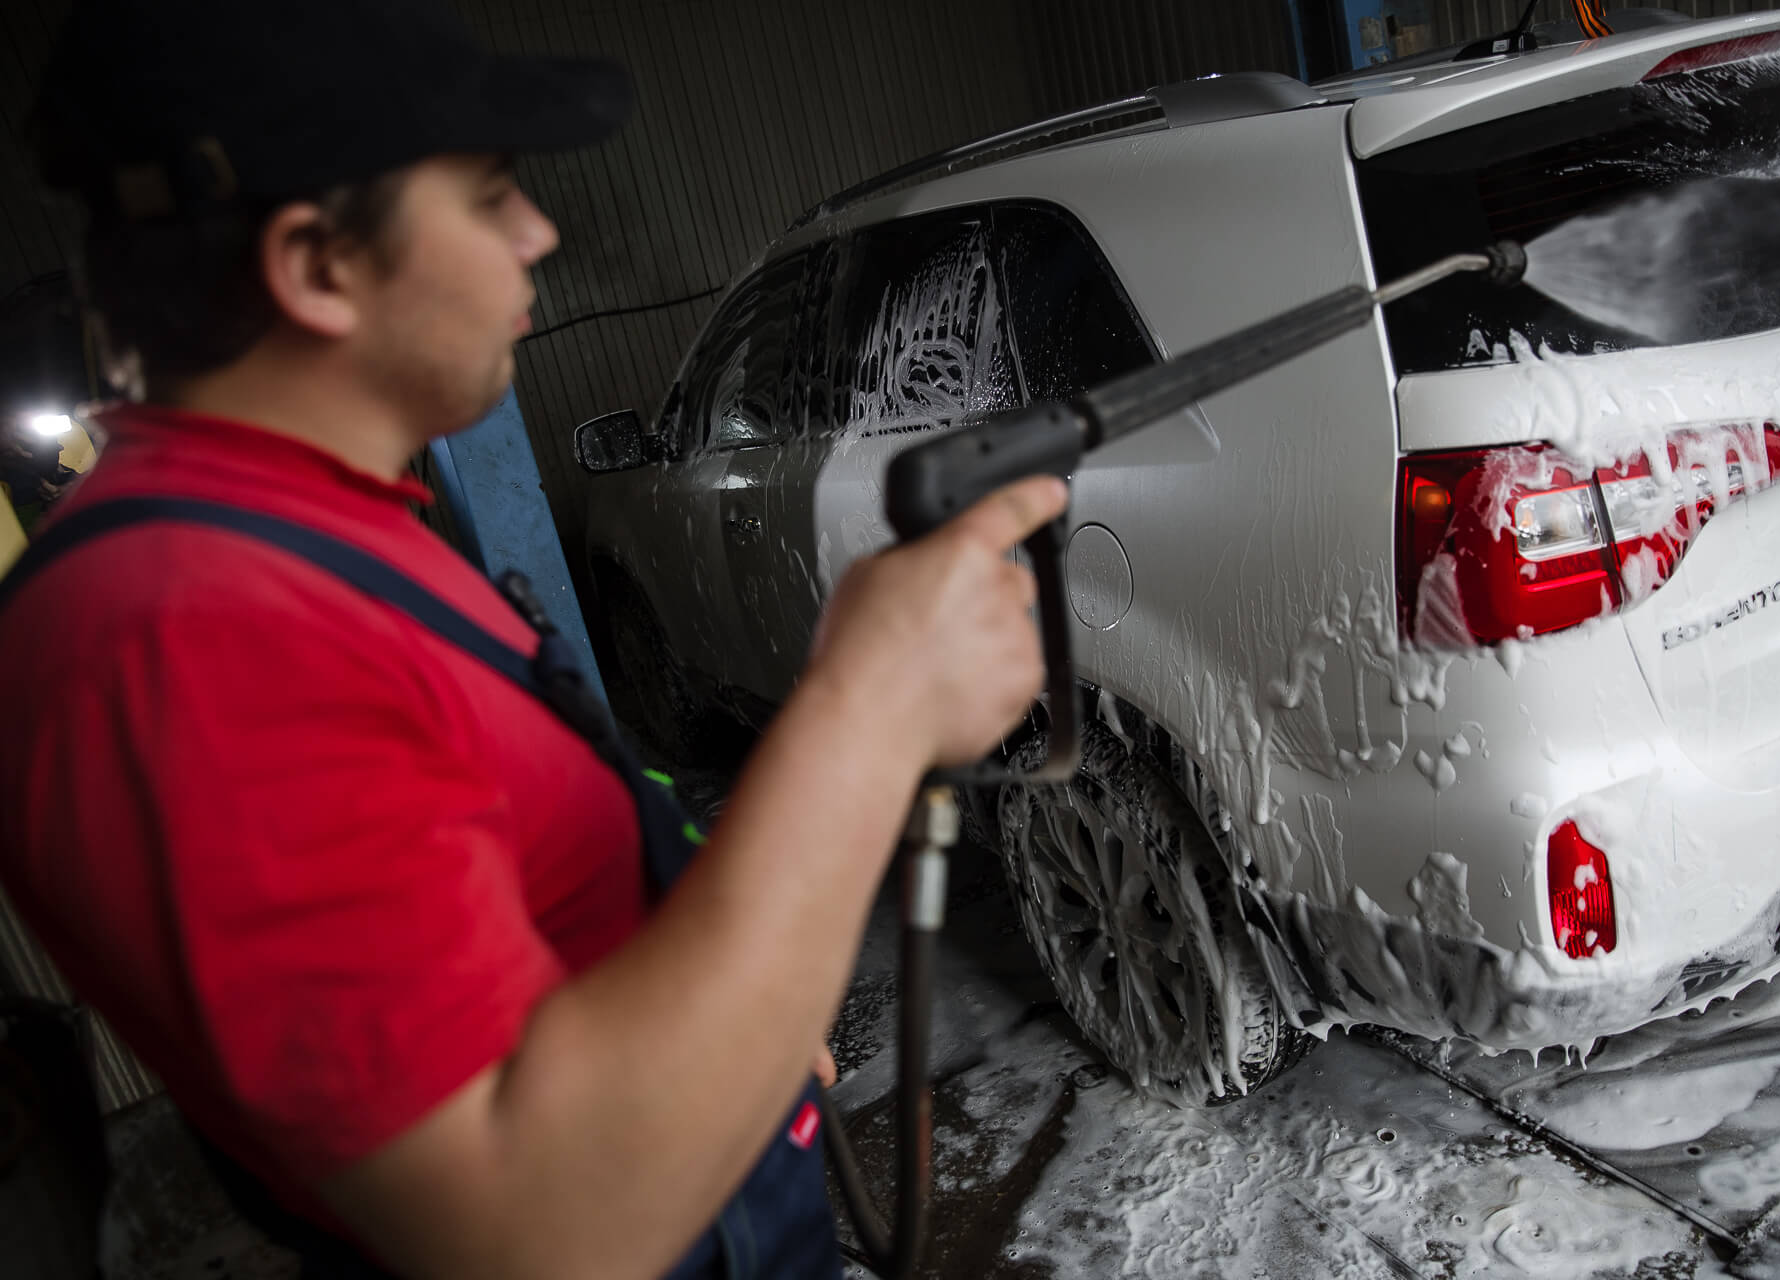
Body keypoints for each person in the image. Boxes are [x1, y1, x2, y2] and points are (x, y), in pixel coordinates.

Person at [0, 2, 1066, 1277]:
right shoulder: (186, 636)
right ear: (316, 266)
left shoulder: (311, 532)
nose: (539, 233)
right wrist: (873, 708)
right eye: (493, 194)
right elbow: (536, 1221)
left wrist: (725, 1021)